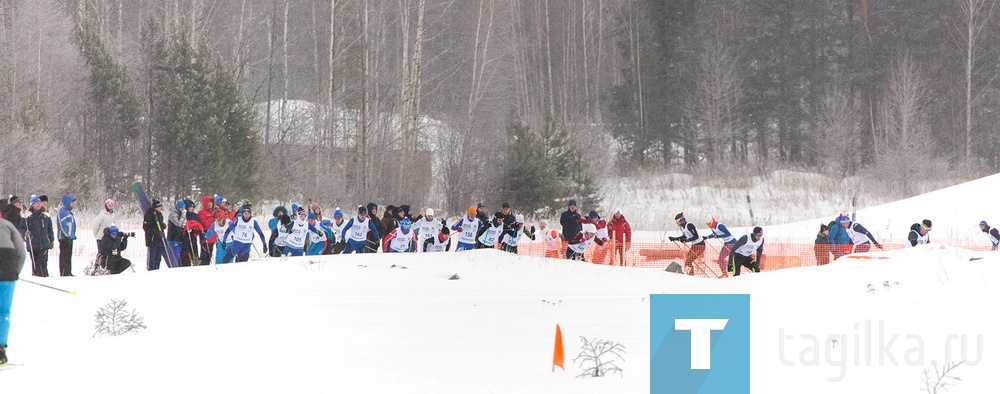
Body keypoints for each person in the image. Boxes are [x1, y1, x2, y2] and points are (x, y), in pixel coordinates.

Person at [0, 214, 27, 365]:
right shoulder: (9, 226)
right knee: (3, 311)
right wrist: (15, 272)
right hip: (8, 273)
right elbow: (21, 253)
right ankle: (0, 350)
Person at [22, 196, 53, 277]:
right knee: (36, 263)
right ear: (32, 204)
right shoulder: (27, 216)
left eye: (39, 202)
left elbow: (50, 229)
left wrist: (51, 240)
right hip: (33, 243)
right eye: (36, 203)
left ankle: (45, 275)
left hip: (44, 243)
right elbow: (22, 228)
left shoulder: (45, 215)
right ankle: (36, 275)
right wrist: (25, 233)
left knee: (44, 262)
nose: (39, 204)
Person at [142, 200, 170, 270]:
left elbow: (160, 224)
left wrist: (163, 226)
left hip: (160, 239)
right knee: (152, 257)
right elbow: (146, 227)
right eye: (159, 207)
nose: (161, 208)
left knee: (158, 258)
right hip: (152, 239)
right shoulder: (149, 214)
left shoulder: (159, 214)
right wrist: (155, 232)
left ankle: (156, 270)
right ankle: (151, 270)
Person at [56, 195, 77, 276]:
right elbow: (63, 225)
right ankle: (64, 271)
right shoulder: (63, 212)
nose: (73, 204)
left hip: (69, 237)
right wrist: (67, 235)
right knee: (64, 255)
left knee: (68, 255)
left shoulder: (68, 212)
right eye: (72, 202)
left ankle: (68, 271)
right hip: (64, 238)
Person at [197, 196, 216, 265]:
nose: (210, 204)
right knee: (204, 256)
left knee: (209, 256)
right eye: (208, 202)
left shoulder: (213, 212)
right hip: (205, 237)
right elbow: (205, 224)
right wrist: (212, 217)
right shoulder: (201, 212)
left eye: (211, 202)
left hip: (212, 237)